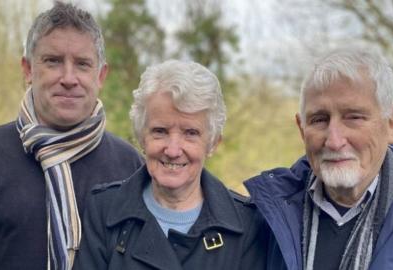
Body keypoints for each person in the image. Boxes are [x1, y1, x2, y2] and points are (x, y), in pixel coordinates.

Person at [0, 2, 143, 270]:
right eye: (53, 61)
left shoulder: (130, 167)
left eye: (82, 64)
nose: (69, 78)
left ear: (101, 75)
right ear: (27, 69)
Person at [244, 48, 393, 270]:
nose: (334, 141)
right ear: (302, 129)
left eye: (354, 117)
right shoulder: (263, 222)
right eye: (319, 120)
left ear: (391, 124)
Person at [73, 60, 268, 270]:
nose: (173, 151)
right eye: (160, 131)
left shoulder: (248, 224)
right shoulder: (104, 210)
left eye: (190, 133)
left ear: (212, 143)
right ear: (141, 137)